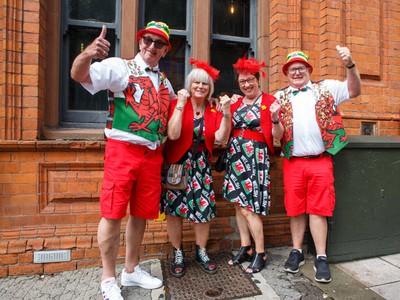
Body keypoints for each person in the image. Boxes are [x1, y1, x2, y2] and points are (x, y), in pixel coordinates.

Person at [70, 21, 177, 300]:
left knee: (141, 213)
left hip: (152, 155)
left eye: (159, 43)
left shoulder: (165, 82)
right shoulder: (120, 67)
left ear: (165, 50)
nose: (152, 46)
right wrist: (88, 54)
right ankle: (107, 278)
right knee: (113, 212)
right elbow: (78, 75)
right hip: (123, 150)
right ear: (140, 41)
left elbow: (179, 112)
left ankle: (130, 269)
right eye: (148, 40)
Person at [274, 47, 361, 283]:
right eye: (292, 69)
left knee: (319, 209)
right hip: (293, 161)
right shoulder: (278, 97)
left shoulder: (326, 88)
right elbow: (276, 134)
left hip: (321, 160)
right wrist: (273, 119)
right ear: (287, 73)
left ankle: (321, 256)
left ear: (309, 70)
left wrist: (350, 65)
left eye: (301, 68)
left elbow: (354, 90)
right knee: (295, 209)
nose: (297, 72)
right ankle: (296, 251)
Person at [164, 58, 231, 277]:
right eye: (196, 83)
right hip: (177, 164)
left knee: (202, 210)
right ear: (189, 85)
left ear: (210, 88)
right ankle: (178, 252)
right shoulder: (177, 104)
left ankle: (201, 251)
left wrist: (227, 114)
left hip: (201, 165)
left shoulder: (213, 108)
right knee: (174, 211)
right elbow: (173, 135)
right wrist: (181, 105)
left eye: (205, 84)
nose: (200, 87)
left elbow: (221, 137)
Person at [223, 56, 282, 273]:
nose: (246, 85)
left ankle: (260, 252)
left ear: (258, 79)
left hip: (255, 158)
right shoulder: (237, 102)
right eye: (242, 82)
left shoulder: (269, 102)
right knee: (238, 205)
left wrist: (275, 119)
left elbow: (278, 135)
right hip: (235, 155)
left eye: (250, 80)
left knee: (249, 208)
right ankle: (245, 247)